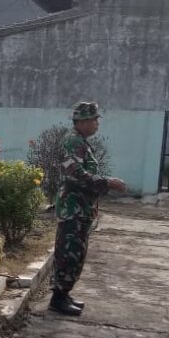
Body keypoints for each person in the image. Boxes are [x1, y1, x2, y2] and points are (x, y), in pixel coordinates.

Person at [49, 101, 127, 316]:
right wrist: (108, 182)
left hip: (81, 209)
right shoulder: (72, 142)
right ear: (82, 122)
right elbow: (75, 174)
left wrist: (104, 182)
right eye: (93, 120)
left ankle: (65, 294)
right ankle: (58, 298)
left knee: (76, 253)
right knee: (69, 253)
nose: (96, 124)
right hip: (72, 209)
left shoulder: (81, 142)